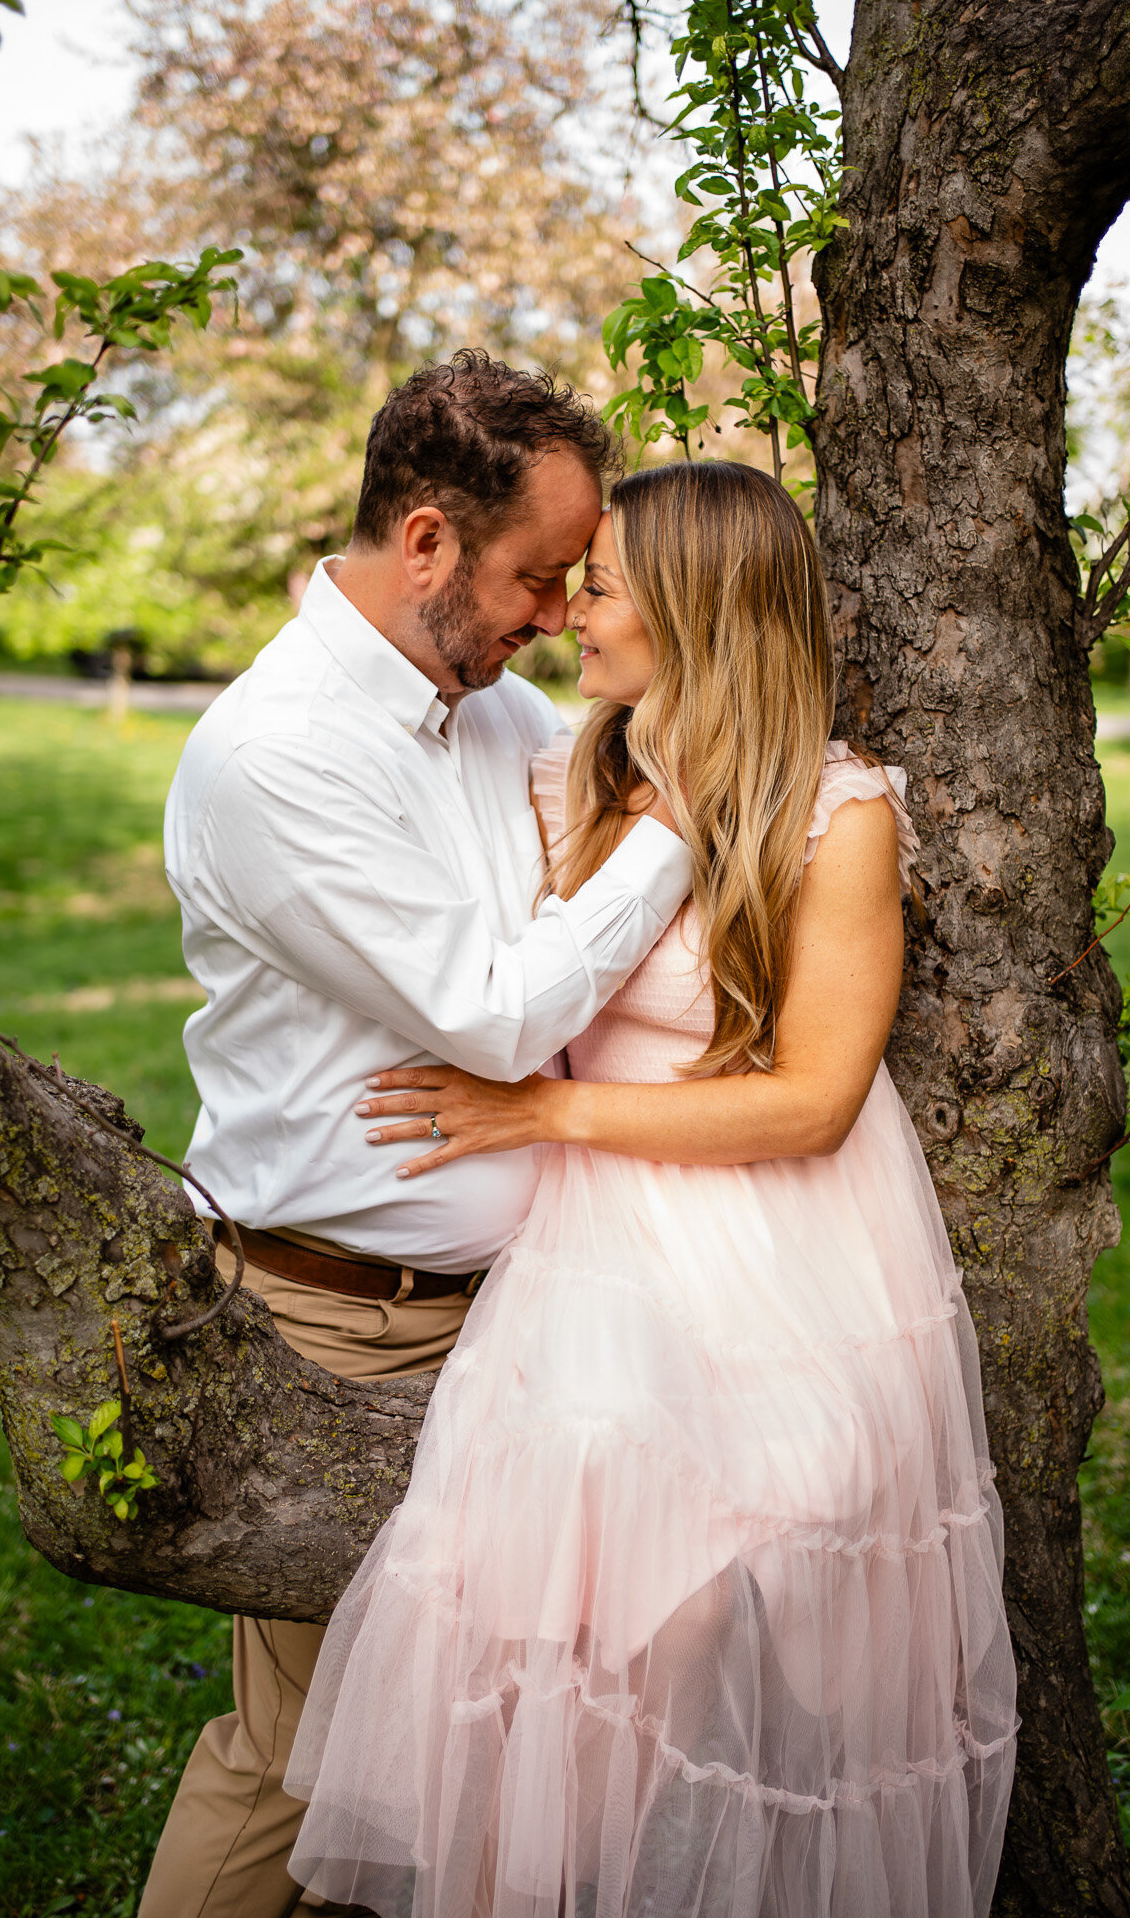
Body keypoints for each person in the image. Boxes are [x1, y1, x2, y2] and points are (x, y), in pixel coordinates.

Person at [285, 461, 1019, 1918]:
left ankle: (675, 1869)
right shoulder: (572, 769)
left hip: (782, 1243)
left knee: (719, 1581)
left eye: (602, 587)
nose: (568, 618)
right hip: (598, 1235)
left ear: (692, 612)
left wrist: (542, 1107)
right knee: (547, 1591)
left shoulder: (832, 807)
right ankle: (548, 1868)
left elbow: (812, 1102)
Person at [142, 354, 698, 1918]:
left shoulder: (492, 709)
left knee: (473, 1737)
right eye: (536, 577)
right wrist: (675, 824)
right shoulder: (279, 756)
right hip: (341, 1325)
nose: (552, 613)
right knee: (304, 1747)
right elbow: (498, 1015)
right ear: (432, 540)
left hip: (524, 1322)